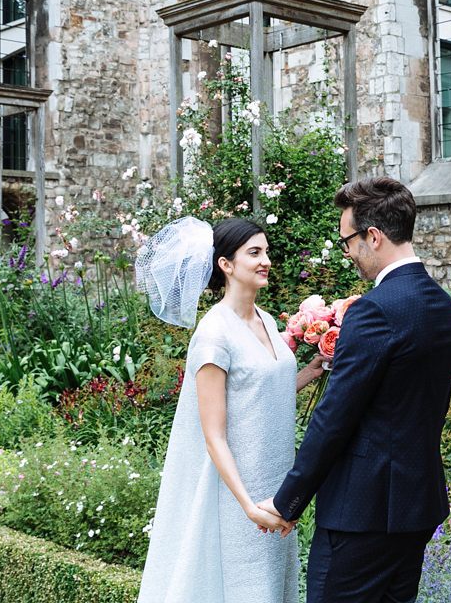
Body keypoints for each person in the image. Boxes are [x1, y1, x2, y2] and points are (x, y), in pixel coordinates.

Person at [259, 176, 451, 603]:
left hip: (362, 512)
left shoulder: (374, 311)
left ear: (373, 237)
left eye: (347, 242)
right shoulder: (444, 307)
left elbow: (334, 418)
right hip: (416, 506)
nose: (348, 253)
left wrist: (286, 502)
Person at [137, 217, 323, 603]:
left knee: (273, 587)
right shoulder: (213, 334)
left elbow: (264, 390)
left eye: (266, 251)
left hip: (277, 483)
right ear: (225, 264)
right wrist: (247, 506)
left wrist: (314, 368)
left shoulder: (268, 322)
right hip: (239, 493)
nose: (266, 260)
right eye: (254, 252)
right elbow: (213, 435)